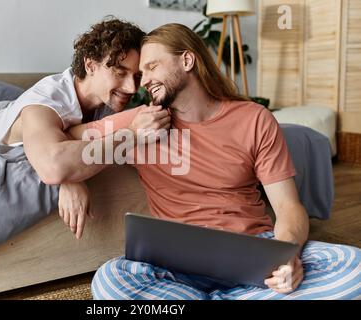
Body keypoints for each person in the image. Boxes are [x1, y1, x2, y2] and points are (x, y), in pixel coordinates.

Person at [62, 23, 361, 299]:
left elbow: (288, 207)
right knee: (109, 280)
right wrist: (69, 177)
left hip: (255, 254)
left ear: (187, 61)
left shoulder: (254, 119)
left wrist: (286, 255)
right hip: (176, 265)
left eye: (152, 67)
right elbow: (68, 135)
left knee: (353, 265)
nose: (144, 82)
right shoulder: (140, 123)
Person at [0, 18, 171, 239]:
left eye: (137, 76)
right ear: (90, 64)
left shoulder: (107, 99)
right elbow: (53, 166)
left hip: (11, 113)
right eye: (120, 73)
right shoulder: (47, 102)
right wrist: (131, 136)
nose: (131, 87)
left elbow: (69, 138)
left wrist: (73, 175)